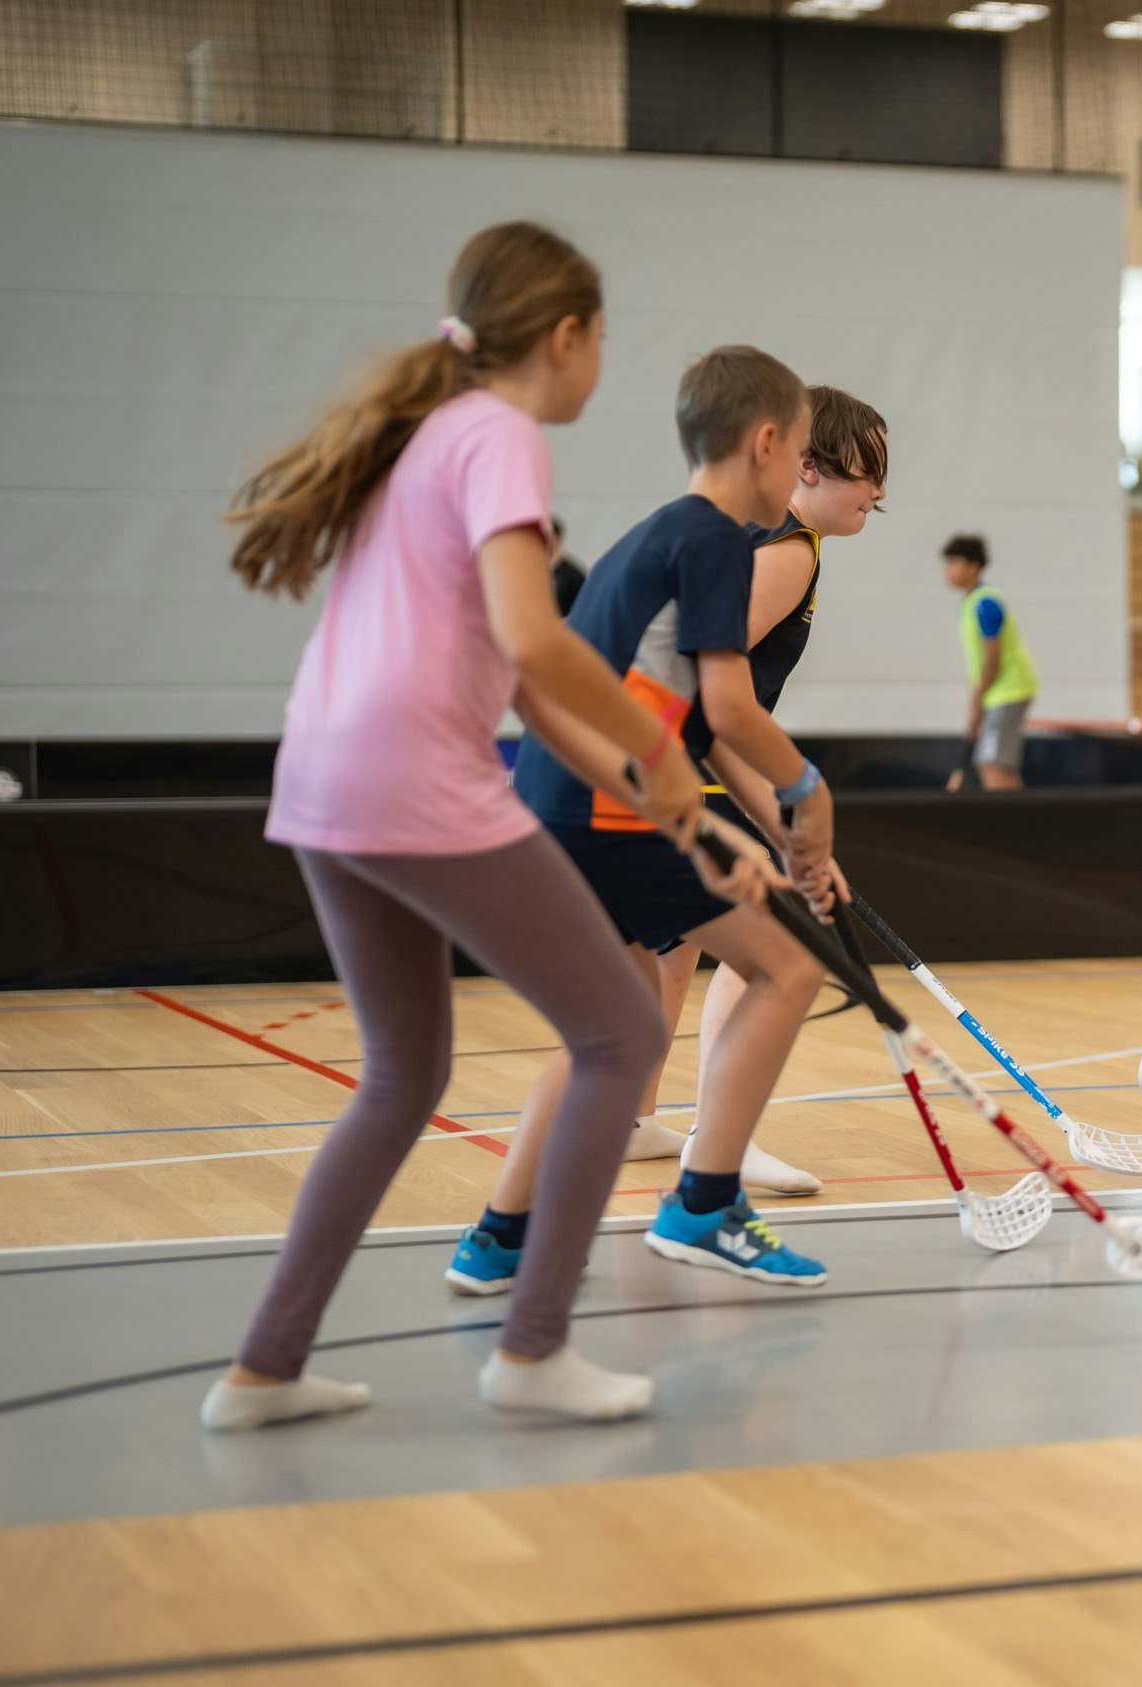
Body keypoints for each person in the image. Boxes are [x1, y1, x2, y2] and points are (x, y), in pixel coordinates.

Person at [205, 222, 773, 1432]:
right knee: (622, 1032)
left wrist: (663, 795)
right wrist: (666, 757)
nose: (601, 359)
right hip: (414, 783)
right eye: (603, 338)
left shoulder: (427, 437)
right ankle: (532, 1351)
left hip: (320, 783)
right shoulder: (501, 435)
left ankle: (263, 1367)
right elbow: (534, 638)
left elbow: (523, 694)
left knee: (403, 1074)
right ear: (564, 339)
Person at [451, 346, 843, 1298]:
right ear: (764, 443)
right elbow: (739, 708)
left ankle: (497, 1237)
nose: (802, 474)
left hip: (560, 801)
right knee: (790, 967)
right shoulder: (715, 541)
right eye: (799, 451)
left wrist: (791, 846)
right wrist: (812, 798)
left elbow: (700, 732)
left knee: (615, 1031)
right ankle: (704, 1206)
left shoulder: (656, 536)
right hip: (607, 813)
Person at [681, 385, 894, 1166]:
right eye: (868, 469)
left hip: (681, 765)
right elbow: (704, 681)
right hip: (695, 772)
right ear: (808, 463)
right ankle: (716, 1139)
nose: (879, 489)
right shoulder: (789, 550)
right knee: (765, 954)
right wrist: (785, 802)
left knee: (668, 955)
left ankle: (641, 1123)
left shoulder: (773, 539)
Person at [942, 533, 1038, 791]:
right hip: (996, 693)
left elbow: (992, 660)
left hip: (1009, 691)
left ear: (973, 566)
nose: (948, 570)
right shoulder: (970, 603)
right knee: (990, 761)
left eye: (954, 562)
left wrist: (976, 704)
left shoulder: (986, 604)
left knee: (992, 762)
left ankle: (1016, 826)